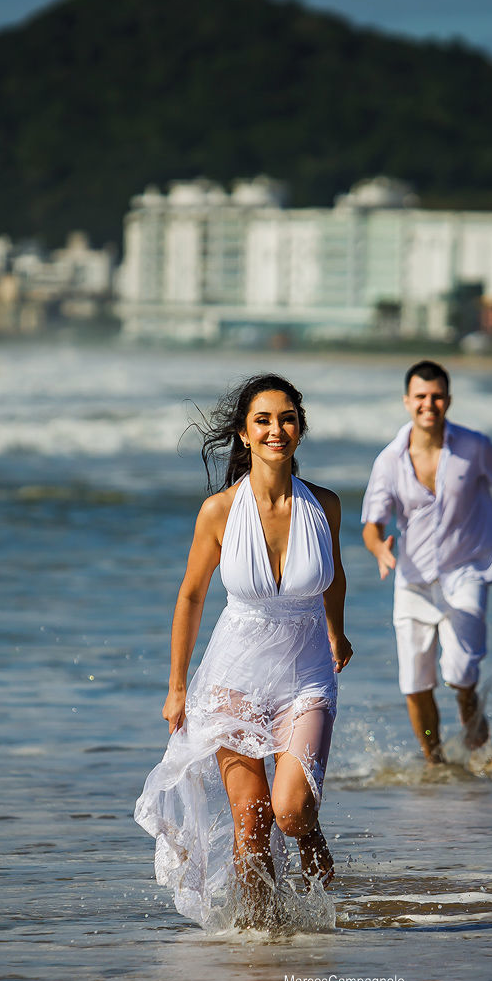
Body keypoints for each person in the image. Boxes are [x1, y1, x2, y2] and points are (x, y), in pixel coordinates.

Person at [135, 374, 352, 929]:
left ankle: (308, 831)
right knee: (251, 825)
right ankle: (260, 945)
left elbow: (334, 577)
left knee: (291, 810)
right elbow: (190, 596)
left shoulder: (324, 505)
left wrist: (337, 632)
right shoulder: (219, 511)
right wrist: (177, 687)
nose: (277, 429)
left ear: (300, 429)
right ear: (244, 433)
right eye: (264, 420)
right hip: (234, 675)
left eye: (287, 419)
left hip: (306, 673)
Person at [361, 360, 492, 764]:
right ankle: (434, 758)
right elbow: (372, 524)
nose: (429, 404)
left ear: (448, 400)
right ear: (407, 401)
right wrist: (379, 549)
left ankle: (466, 697)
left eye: (436, 396)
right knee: (415, 684)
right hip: (413, 581)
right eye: (420, 396)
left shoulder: (474, 447)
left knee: (460, 673)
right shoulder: (389, 461)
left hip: (466, 572)